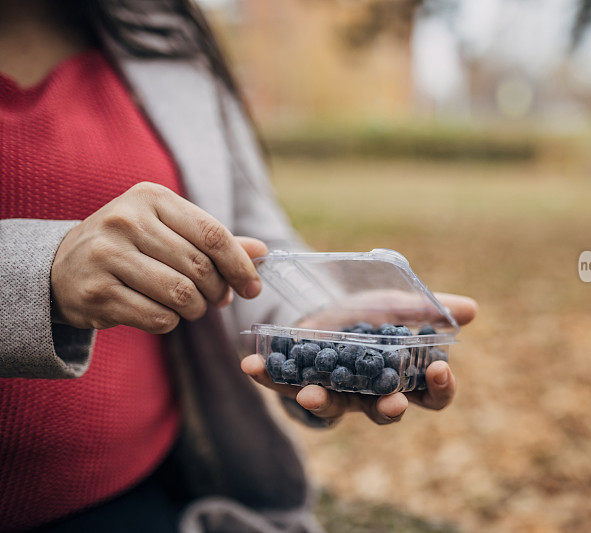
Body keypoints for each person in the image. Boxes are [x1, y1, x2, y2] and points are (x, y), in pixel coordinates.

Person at [0, 1, 478, 531]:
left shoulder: (159, 28)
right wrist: (40, 272)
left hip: (150, 490)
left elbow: (246, 231)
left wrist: (312, 317)